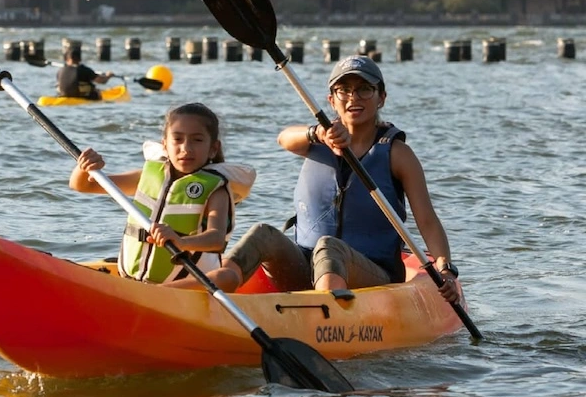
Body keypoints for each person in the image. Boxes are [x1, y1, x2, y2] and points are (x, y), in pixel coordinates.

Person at [210, 55, 460, 303]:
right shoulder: (317, 140)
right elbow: (283, 138)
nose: (354, 97)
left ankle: (327, 312)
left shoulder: (397, 154)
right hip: (306, 268)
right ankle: (211, 287)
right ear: (332, 100)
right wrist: (318, 133)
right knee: (262, 233)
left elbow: (427, 220)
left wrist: (445, 269)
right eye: (344, 90)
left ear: (381, 97)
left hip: (371, 277)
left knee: (330, 246)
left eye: (365, 89)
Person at [69, 102, 255, 285]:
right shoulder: (146, 177)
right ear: (165, 145)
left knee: (226, 278)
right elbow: (83, 186)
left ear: (213, 148)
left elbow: (216, 239)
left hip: (185, 288)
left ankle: (151, 295)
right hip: (134, 279)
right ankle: (139, 293)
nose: (186, 148)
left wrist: (180, 241)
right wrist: (84, 167)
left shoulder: (216, 191)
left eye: (197, 140)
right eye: (178, 139)